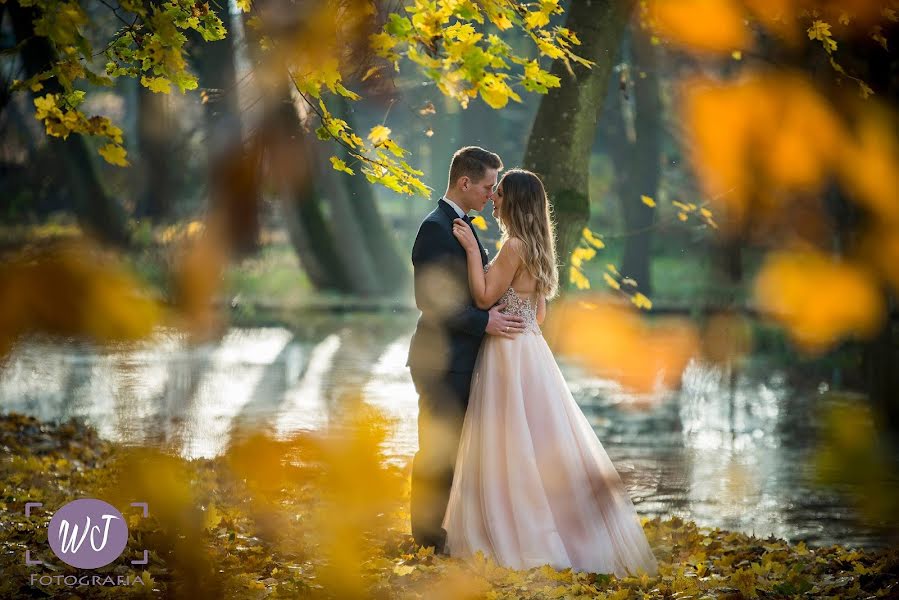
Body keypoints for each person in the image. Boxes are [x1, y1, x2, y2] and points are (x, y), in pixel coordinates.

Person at [442, 168, 659, 577]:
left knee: (510, 440)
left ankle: (518, 531)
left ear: (515, 201)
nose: (494, 199)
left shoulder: (513, 247)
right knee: (540, 439)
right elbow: (539, 312)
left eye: (500, 193)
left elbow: (485, 295)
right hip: (532, 351)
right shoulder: (539, 248)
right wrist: (518, 308)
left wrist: (473, 252)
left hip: (507, 351)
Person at [407, 146, 527, 552]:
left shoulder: (463, 226)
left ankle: (446, 533)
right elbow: (431, 300)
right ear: (465, 183)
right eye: (488, 187)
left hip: (462, 358)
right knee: (437, 451)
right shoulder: (435, 228)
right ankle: (426, 540)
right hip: (441, 360)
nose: (492, 196)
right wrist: (486, 322)